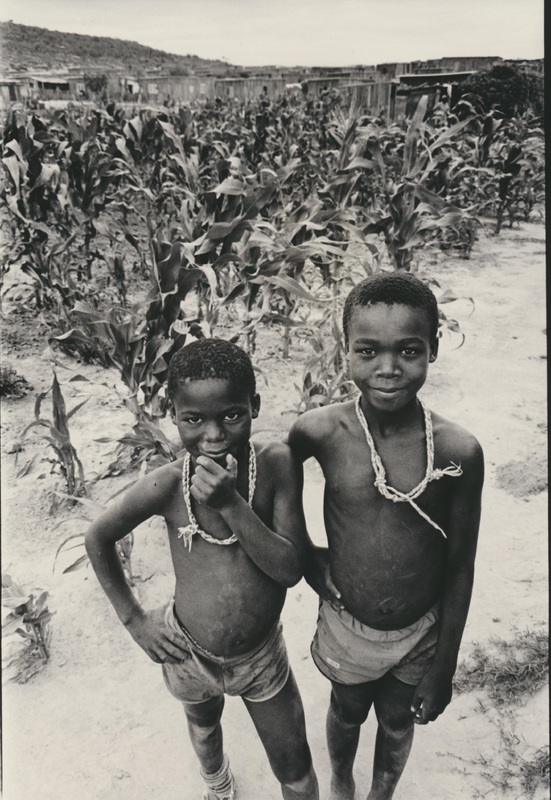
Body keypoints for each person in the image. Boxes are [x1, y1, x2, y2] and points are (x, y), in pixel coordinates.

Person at [85, 338, 319, 800]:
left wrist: (231, 504)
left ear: (254, 406)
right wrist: (135, 620)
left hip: (260, 656)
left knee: (294, 766)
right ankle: (217, 783)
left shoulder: (276, 465)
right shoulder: (168, 486)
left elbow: (289, 569)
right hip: (187, 651)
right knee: (204, 726)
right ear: (172, 415)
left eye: (232, 415)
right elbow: (98, 537)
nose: (213, 435)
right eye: (193, 419)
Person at [288, 272, 484, 800]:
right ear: (346, 349)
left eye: (409, 351)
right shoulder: (319, 431)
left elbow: (461, 565)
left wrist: (444, 666)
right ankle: (341, 784)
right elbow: (273, 486)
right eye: (369, 351)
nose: (389, 368)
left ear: (433, 349)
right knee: (347, 711)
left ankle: (381, 794)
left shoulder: (458, 451)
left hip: (421, 630)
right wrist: (306, 556)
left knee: (398, 720)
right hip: (348, 624)